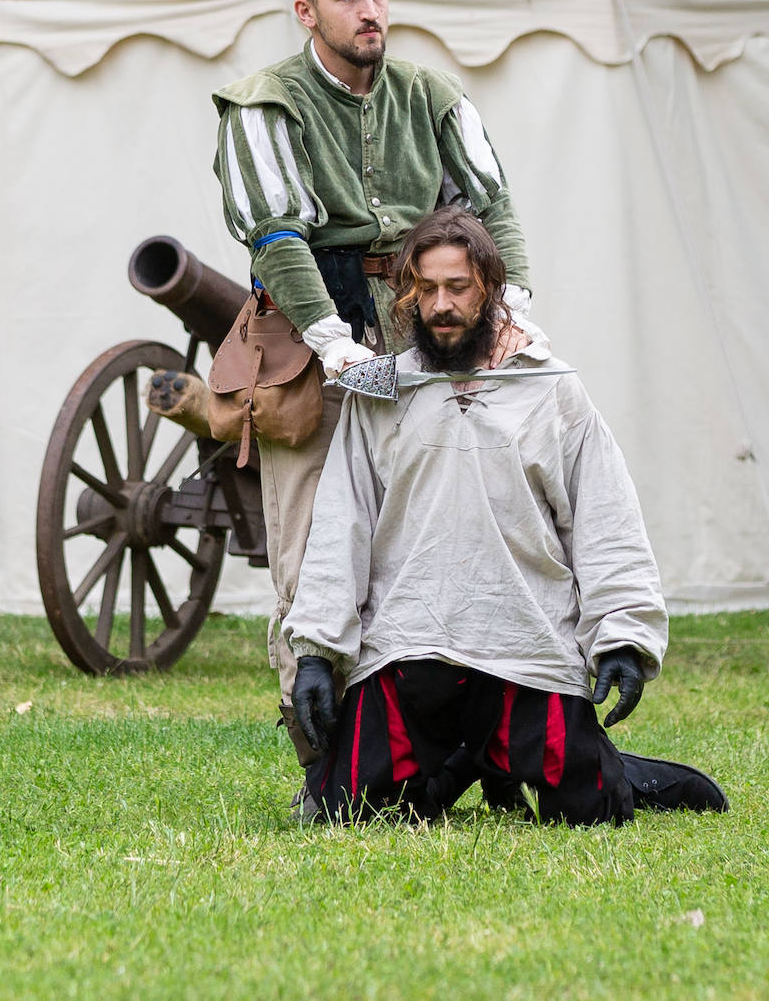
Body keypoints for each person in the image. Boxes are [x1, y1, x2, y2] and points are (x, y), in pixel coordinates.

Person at [283, 209, 728, 825]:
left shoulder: (550, 389)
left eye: (457, 287)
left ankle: (598, 764)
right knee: (347, 811)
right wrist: (317, 653)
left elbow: (605, 518)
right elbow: (343, 525)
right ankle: (477, 759)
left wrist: (621, 635)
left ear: (490, 288)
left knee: (591, 808)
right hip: (409, 643)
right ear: (407, 296)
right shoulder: (380, 395)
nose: (441, 305)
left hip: (524, 643)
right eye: (427, 289)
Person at [210, 0, 535, 763]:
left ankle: (416, 748)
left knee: (425, 532)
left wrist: (511, 310)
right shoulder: (264, 101)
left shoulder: (430, 95)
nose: (371, 11)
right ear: (305, 10)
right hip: (304, 334)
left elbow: (489, 209)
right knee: (313, 545)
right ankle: (323, 766)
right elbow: (277, 233)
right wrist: (332, 342)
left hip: (419, 323)